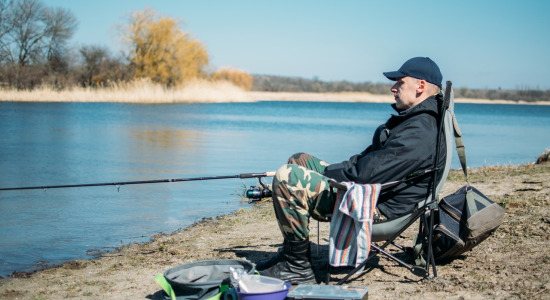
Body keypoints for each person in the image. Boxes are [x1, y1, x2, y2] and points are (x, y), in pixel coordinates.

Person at [257, 57, 447, 284]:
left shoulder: (419, 130)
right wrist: (331, 170)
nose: (393, 88)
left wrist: (324, 176)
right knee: (299, 161)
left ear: (421, 86)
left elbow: (364, 175)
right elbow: (366, 161)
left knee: (287, 177)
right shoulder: (413, 121)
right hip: (378, 191)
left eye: (399, 82)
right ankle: (293, 253)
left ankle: (297, 268)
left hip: (380, 209)